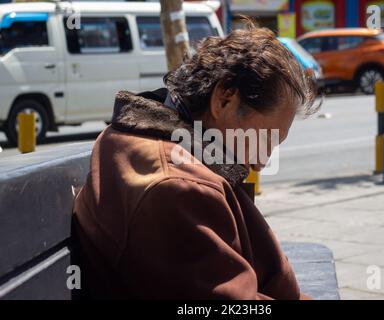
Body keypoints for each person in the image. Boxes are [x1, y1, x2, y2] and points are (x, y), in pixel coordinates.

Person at [72, 21, 318, 299]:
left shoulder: (173, 149)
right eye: (266, 140)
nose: (262, 162)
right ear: (224, 99)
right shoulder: (177, 187)